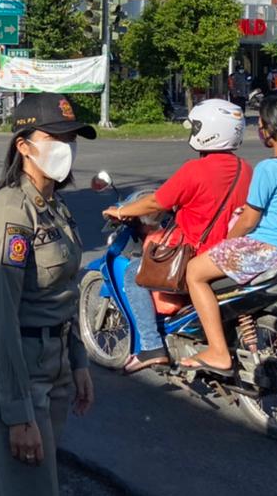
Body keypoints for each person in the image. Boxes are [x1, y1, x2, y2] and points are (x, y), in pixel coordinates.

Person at [0, 93, 95, 496]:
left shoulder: (54, 207)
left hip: (53, 362)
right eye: (55, 137)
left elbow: (65, 291)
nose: (67, 146)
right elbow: (1, 318)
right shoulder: (10, 214)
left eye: (72, 137)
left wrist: (78, 361)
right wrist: (18, 414)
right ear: (23, 145)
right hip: (17, 370)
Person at [182, 95, 277, 372]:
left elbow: (249, 220)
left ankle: (217, 350)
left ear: (268, 130)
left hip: (265, 249)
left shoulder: (268, 168)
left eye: (260, 124)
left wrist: (227, 243)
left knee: (194, 271)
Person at [102, 99, 252, 374]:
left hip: (194, 257)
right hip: (230, 256)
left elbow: (154, 204)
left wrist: (122, 211)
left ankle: (151, 347)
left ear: (208, 130)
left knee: (134, 274)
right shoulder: (245, 169)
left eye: (195, 125)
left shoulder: (195, 170)